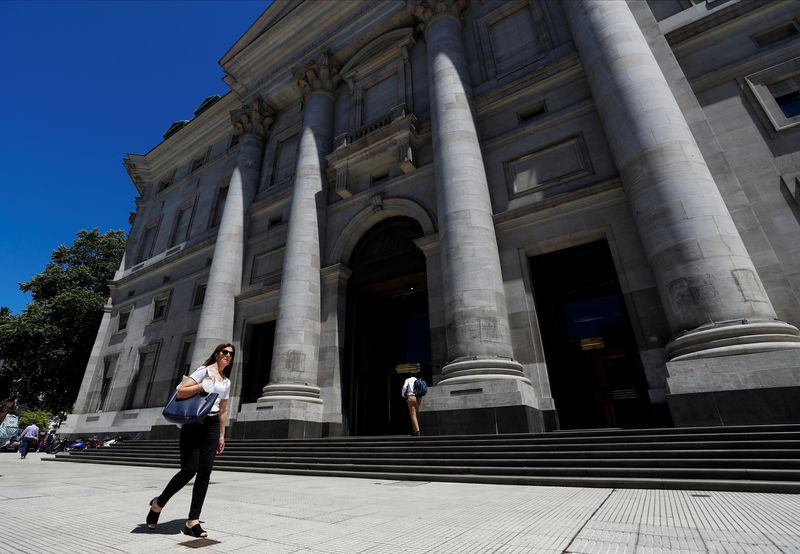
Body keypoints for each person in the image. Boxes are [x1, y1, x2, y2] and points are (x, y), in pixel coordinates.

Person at [145, 342, 234, 538]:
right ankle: (158, 504)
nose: (228, 356)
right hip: (194, 423)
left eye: (230, 354)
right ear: (217, 354)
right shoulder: (203, 371)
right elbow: (180, 392)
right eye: (224, 352)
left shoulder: (226, 382)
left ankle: (193, 520)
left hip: (211, 425)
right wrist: (203, 385)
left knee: (205, 472)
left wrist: (221, 435)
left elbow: (223, 410)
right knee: (189, 469)